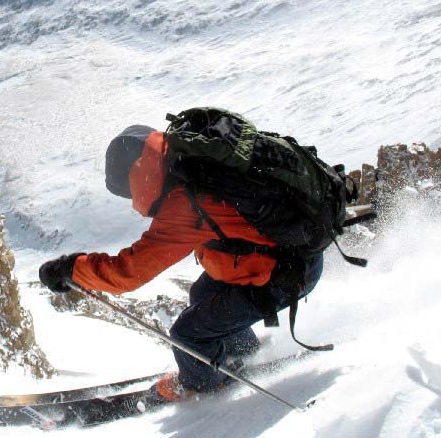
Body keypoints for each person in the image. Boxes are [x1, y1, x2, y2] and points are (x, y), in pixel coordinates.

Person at [39, 124, 324, 403]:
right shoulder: (194, 165)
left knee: (188, 334)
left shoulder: (185, 204)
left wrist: (70, 268)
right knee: (202, 295)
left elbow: (127, 273)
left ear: (136, 178)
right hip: (289, 257)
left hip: (286, 274)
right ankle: (243, 354)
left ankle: (204, 385)